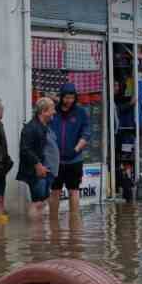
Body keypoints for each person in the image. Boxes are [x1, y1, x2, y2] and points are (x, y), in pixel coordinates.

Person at [47, 84, 90, 219]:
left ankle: (74, 224)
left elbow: (87, 134)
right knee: (55, 192)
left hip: (74, 159)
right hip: (56, 160)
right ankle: (53, 222)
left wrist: (76, 149)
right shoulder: (53, 111)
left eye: (72, 98)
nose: (69, 101)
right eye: (66, 97)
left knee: (74, 192)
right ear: (61, 97)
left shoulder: (81, 112)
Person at [16, 97, 55, 215]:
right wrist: (37, 164)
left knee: (43, 202)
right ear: (43, 111)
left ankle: (39, 230)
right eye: (52, 109)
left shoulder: (45, 126)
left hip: (44, 170)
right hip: (34, 171)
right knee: (37, 202)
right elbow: (25, 149)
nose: (54, 112)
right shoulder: (30, 128)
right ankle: (33, 231)